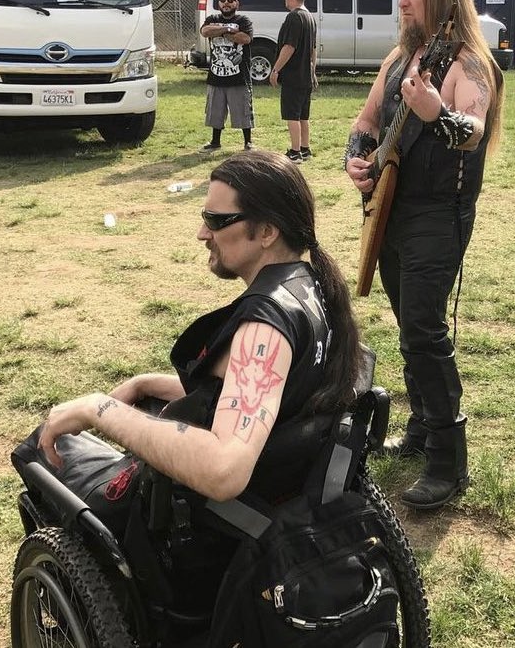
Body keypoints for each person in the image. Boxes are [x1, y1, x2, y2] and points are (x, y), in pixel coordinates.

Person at [39, 149, 361, 510]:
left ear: (267, 231)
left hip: (210, 517)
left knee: (39, 451)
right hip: (281, 487)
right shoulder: (311, 286)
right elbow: (260, 393)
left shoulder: (264, 327)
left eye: (215, 220)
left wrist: (96, 409)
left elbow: (225, 470)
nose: (201, 233)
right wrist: (146, 383)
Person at [344, 0, 504, 511]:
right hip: (390, 207)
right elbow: (365, 122)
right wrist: (356, 158)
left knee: (424, 328)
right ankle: (419, 426)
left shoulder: (470, 65)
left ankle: (447, 459)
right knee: (408, 321)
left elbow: (473, 134)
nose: (402, 0)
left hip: (441, 213)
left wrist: (437, 112)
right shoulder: (399, 58)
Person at [198, 0, 255, 152]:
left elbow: (245, 38)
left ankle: (248, 142)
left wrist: (220, 31)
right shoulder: (212, 18)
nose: (226, 3)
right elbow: (205, 31)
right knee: (215, 111)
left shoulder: (244, 20)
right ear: (219, 3)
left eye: (230, 0)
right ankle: (215, 142)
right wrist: (228, 30)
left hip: (238, 76)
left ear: (237, 3)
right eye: (223, 0)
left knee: (243, 111)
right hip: (216, 75)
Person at [269, 0, 317, 164]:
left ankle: (295, 152)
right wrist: (313, 71)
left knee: (292, 115)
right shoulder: (310, 17)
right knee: (303, 115)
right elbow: (313, 49)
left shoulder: (294, 17)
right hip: (305, 76)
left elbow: (289, 47)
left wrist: (275, 69)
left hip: (294, 75)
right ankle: (305, 149)